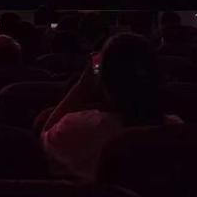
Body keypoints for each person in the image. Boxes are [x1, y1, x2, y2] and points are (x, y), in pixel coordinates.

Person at [42, 33, 179, 181]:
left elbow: (44, 140)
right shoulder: (175, 130)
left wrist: (83, 85)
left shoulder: (77, 127)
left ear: (103, 81)